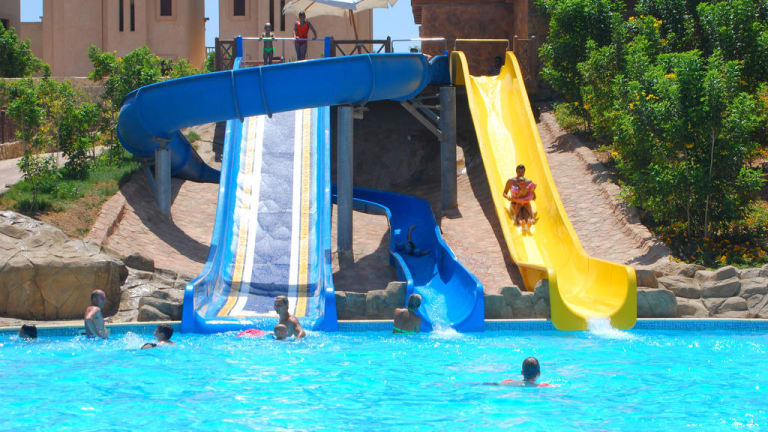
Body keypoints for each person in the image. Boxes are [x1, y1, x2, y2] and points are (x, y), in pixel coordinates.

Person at [503, 164, 537, 231]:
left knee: (526, 214)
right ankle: (521, 222)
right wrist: (508, 197)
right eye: (519, 172)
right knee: (519, 215)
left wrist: (532, 194)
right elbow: (504, 193)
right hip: (515, 203)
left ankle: (528, 222)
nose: (520, 174)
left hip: (525, 203)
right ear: (516, 171)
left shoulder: (528, 182)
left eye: (522, 172)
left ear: (524, 172)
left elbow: (534, 197)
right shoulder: (511, 181)